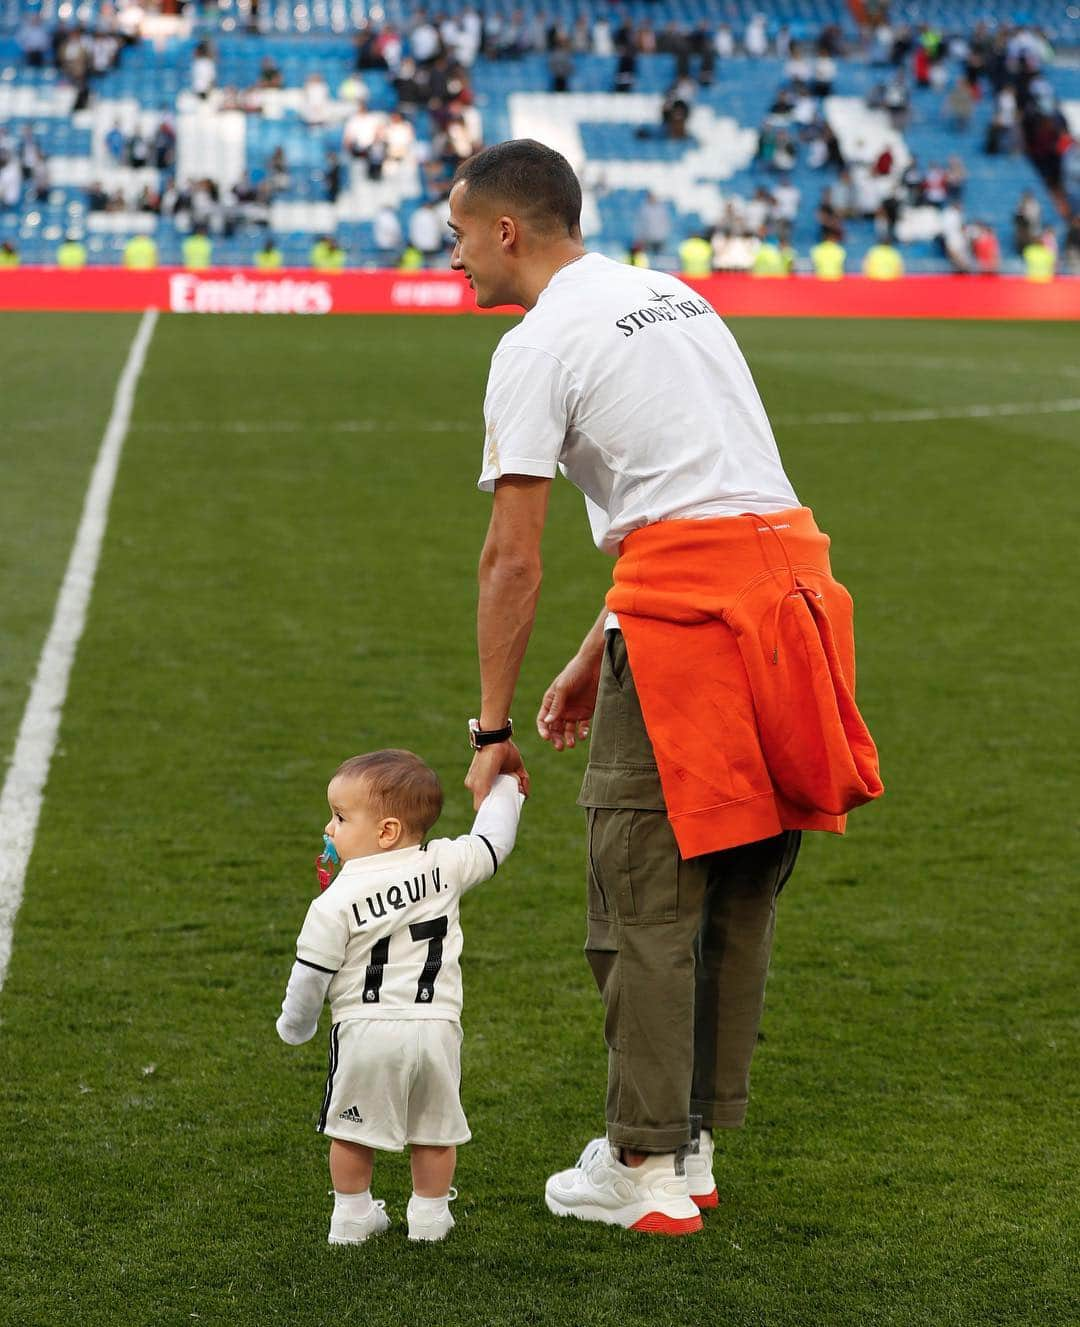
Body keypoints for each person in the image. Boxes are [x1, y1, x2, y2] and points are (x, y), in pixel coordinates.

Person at [447, 140, 882, 1237]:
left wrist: (490, 726)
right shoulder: (670, 294)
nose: (450, 256)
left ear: (507, 231)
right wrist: (601, 646)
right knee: (738, 876)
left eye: (457, 233)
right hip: (792, 600)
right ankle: (690, 1140)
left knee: (642, 886)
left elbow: (513, 559)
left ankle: (642, 1164)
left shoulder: (536, 342)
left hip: (696, 620)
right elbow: (710, 493)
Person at [276, 750, 523, 1244]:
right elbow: (493, 842)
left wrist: (295, 1026)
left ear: (386, 831)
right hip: (436, 1027)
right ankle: (430, 1217)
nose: (328, 828)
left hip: (366, 1028)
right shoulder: (446, 862)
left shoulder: (334, 901)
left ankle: (351, 1216)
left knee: (350, 1130)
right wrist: (507, 788)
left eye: (340, 817)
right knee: (434, 1130)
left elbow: (310, 974)